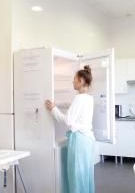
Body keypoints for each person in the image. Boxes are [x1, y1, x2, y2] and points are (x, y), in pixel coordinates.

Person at [45, 65, 95, 193]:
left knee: (76, 176)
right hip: (87, 141)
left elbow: (68, 120)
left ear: (82, 81)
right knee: (84, 175)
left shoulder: (79, 98)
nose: (72, 81)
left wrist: (53, 109)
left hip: (79, 142)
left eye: (74, 79)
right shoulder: (89, 98)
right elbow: (70, 104)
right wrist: (58, 104)